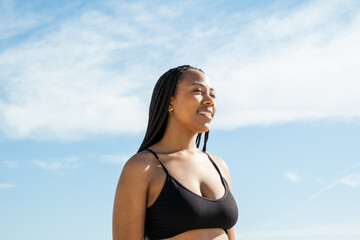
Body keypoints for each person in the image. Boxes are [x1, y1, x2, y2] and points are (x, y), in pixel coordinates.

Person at [113, 65, 238, 240]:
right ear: (170, 102)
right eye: (198, 91)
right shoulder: (142, 167)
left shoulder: (219, 166)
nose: (210, 100)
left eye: (213, 94)